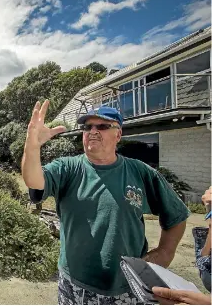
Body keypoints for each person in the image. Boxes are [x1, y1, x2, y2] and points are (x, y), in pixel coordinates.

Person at [22, 100, 190, 305]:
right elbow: (33, 179)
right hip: (74, 285)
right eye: (87, 127)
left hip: (129, 287)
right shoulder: (68, 168)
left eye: (102, 126)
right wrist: (32, 144)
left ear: (118, 134)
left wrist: (165, 252)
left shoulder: (140, 172)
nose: (92, 131)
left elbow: (176, 215)